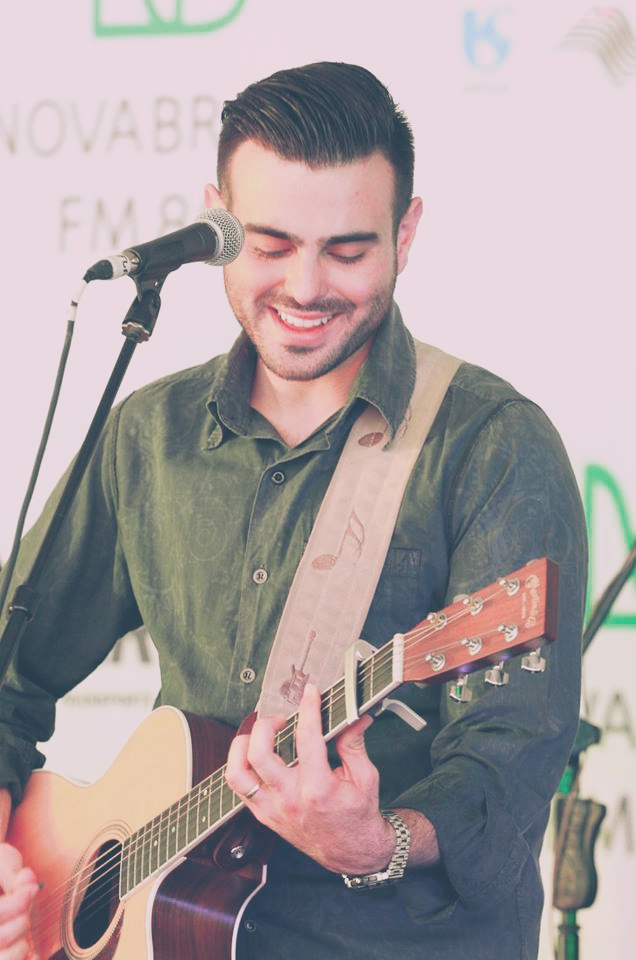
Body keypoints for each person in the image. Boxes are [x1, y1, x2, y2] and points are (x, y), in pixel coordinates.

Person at [0, 62, 586, 960]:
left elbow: (505, 773)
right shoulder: (149, 434)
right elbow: (11, 672)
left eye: (347, 251)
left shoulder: (492, 445)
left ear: (406, 232)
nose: (306, 287)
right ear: (217, 223)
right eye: (271, 246)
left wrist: (377, 841)